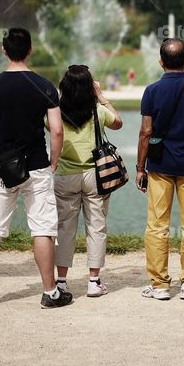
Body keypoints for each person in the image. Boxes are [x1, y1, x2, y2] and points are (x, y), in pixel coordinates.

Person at [0, 28, 71, 308]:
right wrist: (54, 162)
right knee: (42, 230)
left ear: (3, 49)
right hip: (36, 167)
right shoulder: (45, 85)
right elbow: (57, 131)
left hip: (0, 169)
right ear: (30, 49)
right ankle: (50, 293)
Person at [136, 38, 184, 301]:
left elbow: (146, 132)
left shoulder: (151, 91)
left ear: (160, 62)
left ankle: (159, 285)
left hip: (159, 167)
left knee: (157, 225)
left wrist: (140, 167)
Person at [54, 65, 123, 297]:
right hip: (96, 176)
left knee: (64, 228)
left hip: (65, 175)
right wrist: (101, 97)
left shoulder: (57, 111)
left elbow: (49, 128)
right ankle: (94, 281)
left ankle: (61, 281)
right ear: (89, 86)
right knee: (96, 227)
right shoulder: (97, 110)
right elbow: (118, 122)